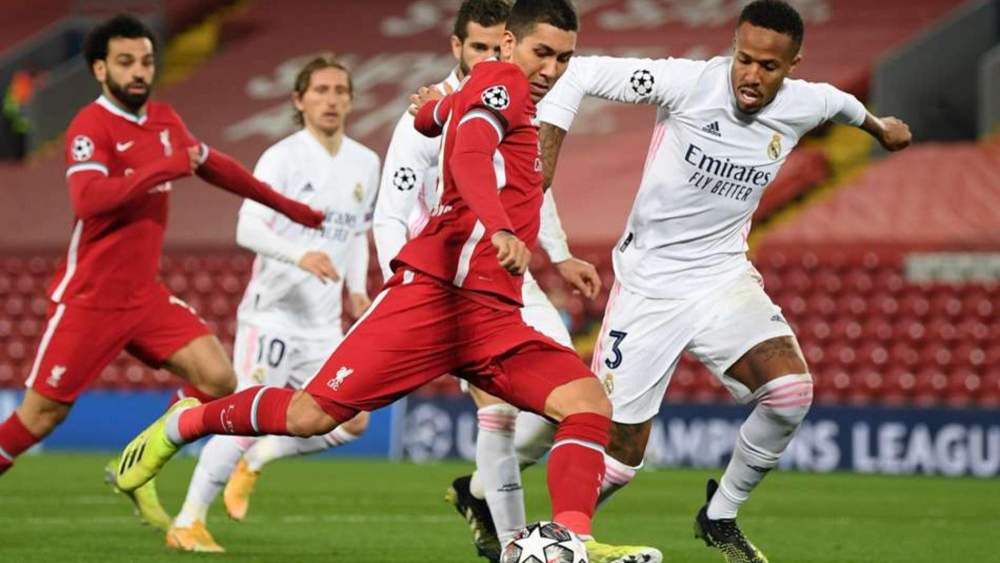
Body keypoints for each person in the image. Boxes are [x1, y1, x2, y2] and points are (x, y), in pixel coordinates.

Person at [112, 2, 659, 560]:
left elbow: (443, 122)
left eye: (564, 58)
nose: (551, 69)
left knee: (588, 403)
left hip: (492, 316)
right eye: (541, 52)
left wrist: (433, 111)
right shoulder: (506, 83)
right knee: (310, 416)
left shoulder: (491, 91)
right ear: (508, 46)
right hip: (432, 299)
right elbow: (470, 154)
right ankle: (185, 423)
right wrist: (498, 227)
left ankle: (571, 541)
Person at [536, 1, 913, 561]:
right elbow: (583, 72)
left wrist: (882, 129)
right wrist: (540, 168)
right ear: (731, 49)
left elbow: (844, 104)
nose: (751, 76)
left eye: (768, 66)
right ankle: (554, 538)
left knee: (789, 393)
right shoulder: (688, 83)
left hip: (721, 278)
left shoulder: (806, 102)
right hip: (650, 287)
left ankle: (720, 515)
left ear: (791, 66)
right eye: (744, 59)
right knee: (620, 460)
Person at [0, 14, 323, 529]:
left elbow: (214, 165)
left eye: (147, 61)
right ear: (100, 70)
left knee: (219, 378)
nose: (139, 72)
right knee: (41, 416)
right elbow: (87, 201)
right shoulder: (90, 126)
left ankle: (139, 460)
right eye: (126, 62)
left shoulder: (164, 121)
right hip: (92, 297)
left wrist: (288, 207)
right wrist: (158, 168)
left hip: (144, 297)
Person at [372, 1, 602, 559]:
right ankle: (513, 544)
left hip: (516, 281)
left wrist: (562, 253)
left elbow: (528, 188)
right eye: (475, 48)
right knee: (497, 412)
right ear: (463, 48)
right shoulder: (426, 118)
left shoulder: (521, 99)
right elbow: (390, 212)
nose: (488, 58)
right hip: (452, 284)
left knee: (569, 406)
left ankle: (477, 491)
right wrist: (397, 284)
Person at [167, 56, 379, 552]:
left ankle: (258, 460)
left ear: (351, 99)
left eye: (340, 90)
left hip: (325, 322)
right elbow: (246, 227)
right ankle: (188, 520)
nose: (331, 99)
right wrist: (300, 254)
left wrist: (356, 287)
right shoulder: (281, 158)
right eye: (320, 90)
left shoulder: (366, 162)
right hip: (273, 315)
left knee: (352, 419)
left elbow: (358, 232)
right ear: (298, 100)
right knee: (246, 416)